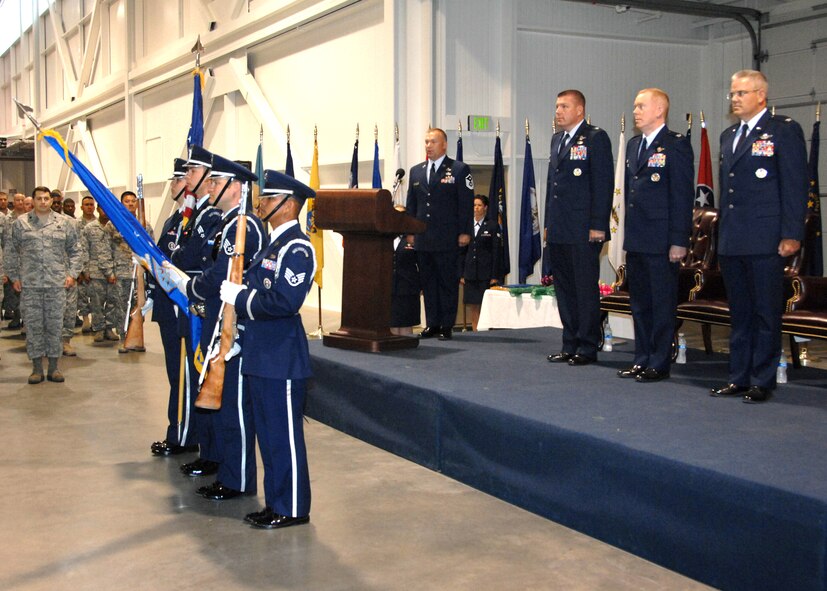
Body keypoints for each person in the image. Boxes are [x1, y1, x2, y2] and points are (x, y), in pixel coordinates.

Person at [219, 169, 316, 529]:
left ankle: (292, 507)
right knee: (269, 435)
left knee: (284, 437)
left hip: (282, 357)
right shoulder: (271, 246)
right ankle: (276, 501)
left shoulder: (297, 248)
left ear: (289, 205)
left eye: (269, 199)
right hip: (260, 353)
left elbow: (284, 301)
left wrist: (241, 297)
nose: (261, 203)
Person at [165, 154, 264, 499]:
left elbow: (222, 274)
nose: (208, 186)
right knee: (219, 399)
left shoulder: (243, 226)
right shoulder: (229, 223)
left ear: (235, 186)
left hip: (233, 326)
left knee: (234, 405)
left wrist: (190, 286)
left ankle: (237, 479)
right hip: (218, 319)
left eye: (215, 181)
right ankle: (223, 465)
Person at [710, 70, 809, 403]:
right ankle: (738, 375)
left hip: (766, 237)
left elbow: (795, 186)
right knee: (740, 312)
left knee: (766, 311)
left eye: (741, 93)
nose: (735, 99)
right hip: (734, 238)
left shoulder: (783, 130)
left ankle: (761, 379)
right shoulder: (729, 135)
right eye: (733, 94)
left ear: (761, 95)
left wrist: (792, 233)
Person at [617, 88, 694, 383]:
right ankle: (642, 358)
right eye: (635, 106)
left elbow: (682, 195)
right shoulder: (636, 144)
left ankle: (660, 362)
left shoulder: (675, 145)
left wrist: (679, 240)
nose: (635, 111)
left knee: (662, 304)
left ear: (659, 110)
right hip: (638, 237)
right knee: (640, 304)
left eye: (641, 106)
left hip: (663, 240)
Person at [544, 90, 614, 365]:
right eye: (557, 105)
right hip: (560, 228)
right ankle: (569, 342)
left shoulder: (595, 138)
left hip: (584, 229)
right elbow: (553, 186)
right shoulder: (557, 140)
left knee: (584, 289)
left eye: (564, 106)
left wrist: (598, 225)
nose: (558, 111)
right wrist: (549, 224)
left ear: (580, 110)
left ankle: (587, 346)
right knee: (564, 289)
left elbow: (603, 183)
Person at [174, 145, 224, 478]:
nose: (188, 178)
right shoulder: (195, 213)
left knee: (203, 375)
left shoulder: (211, 217)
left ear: (208, 180)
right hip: (196, 303)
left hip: (203, 303)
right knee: (196, 376)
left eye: (193, 173)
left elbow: (191, 258)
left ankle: (213, 454)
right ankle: (207, 451)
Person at [150, 159, 200, 457]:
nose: (172, 185)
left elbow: (184, 262)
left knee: (183, 373)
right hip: (168, 307)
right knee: (174, 373)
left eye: (178, 179)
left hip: (183, 306)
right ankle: (178, 429)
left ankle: (183, 435)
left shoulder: (193, 221)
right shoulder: (173, 220)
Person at [6, 186, 82, 383]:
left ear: (51, 200)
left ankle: (55, 368)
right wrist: (14, 277)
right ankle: (37, 368)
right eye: (39, 198)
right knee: (33, 327)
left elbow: (76, 250)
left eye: (46, 198)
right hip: (30, 285)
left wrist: (72, 274)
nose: (43, 202)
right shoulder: (21, 224)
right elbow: (11, 251)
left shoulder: (64, 223)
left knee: (55, 327)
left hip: (56, 285)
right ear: (33, 200)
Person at [406, 127, 474, 340]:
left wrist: (465, 232)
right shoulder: (416, 171)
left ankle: (446, 324)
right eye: (426, 142)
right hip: (424, 239)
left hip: (447, 238)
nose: (428, 145)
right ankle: (432, 323)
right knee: (428, 283)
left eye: (433, 142)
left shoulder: (458, 169)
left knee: (447, 283)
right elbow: (412, 204)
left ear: (444, 144)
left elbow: (465, 204)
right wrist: (410, 230)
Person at [459, 195, 500, 331]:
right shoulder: (466, 226)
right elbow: (461, 252)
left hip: (485, 272)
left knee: (485, 303)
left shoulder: (492, 225)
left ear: (485, 208)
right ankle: (475, 330)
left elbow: (496, 251)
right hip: (470, 271)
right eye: (474, 205)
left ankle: (486, 330)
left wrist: (494, 274)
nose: (476, 208)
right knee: (473, 304)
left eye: (479, 205)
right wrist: (462, 273)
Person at [77, 196, 97, 333]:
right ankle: (85, 319)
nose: (89, 207)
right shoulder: (76, 223)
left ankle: (97, 321)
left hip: (96, 265)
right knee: (82, 294)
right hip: (81, 264)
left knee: (97, 296)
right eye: (86, 204)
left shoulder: (100, 223)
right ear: (81, 207)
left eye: (91, 204)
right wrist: (80, 269)